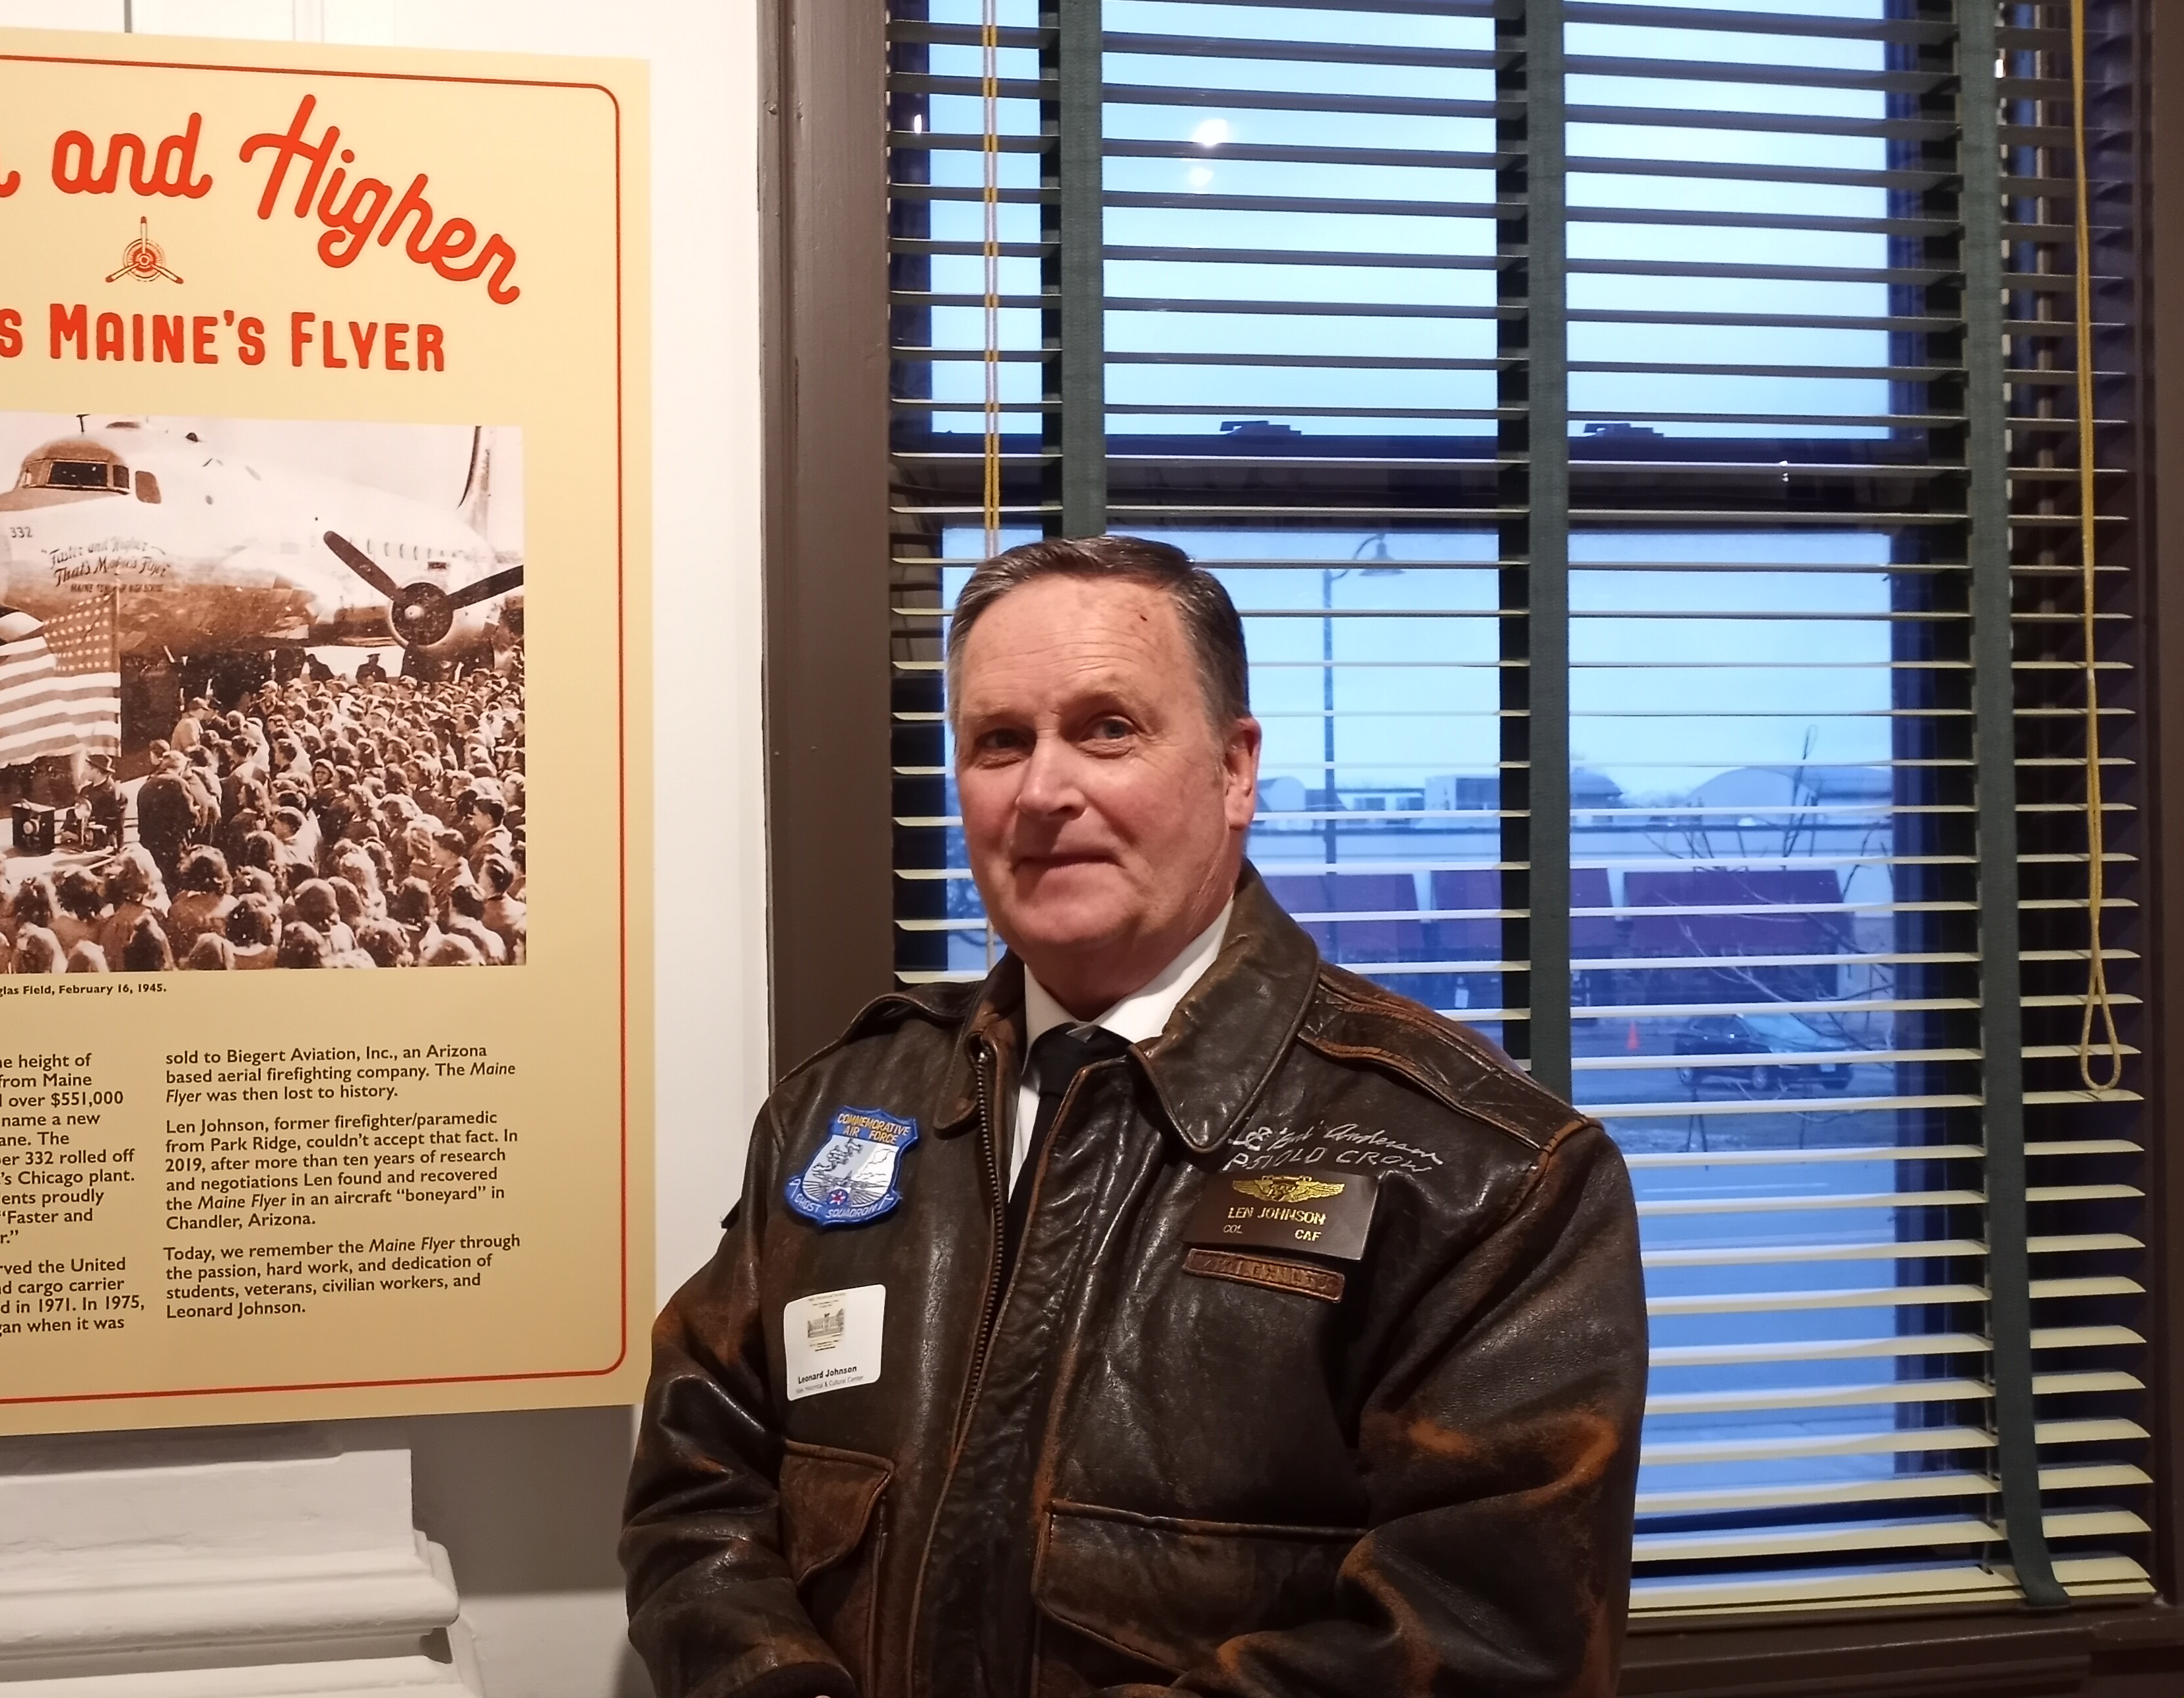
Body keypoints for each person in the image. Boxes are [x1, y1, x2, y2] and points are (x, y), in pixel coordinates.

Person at [620, 536, 1646, 1698]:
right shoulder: (844, 1107)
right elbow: (695, 1491)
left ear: (1234, 768)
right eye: (998, 740)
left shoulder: (1482, 1172)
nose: (1043, 789)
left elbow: (1484, 1649)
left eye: (1106, 727)